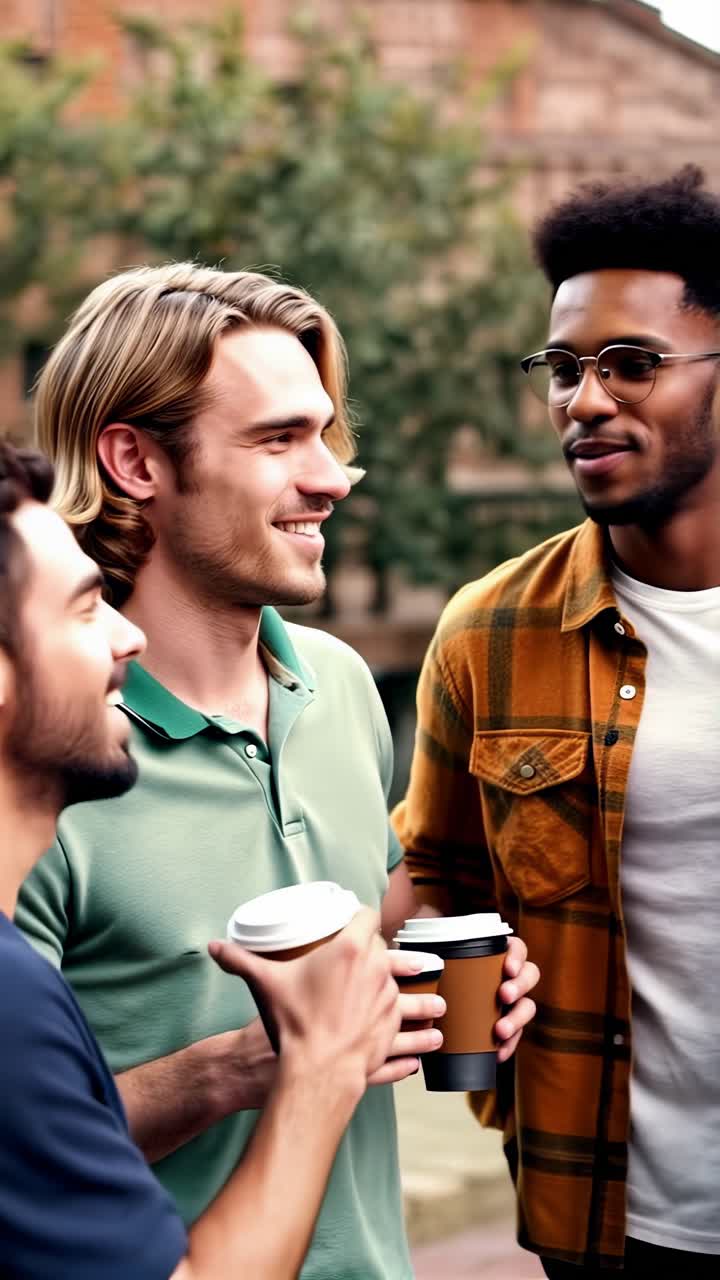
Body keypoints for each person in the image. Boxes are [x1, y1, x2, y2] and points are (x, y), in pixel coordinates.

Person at [16, 263, 539, 1278]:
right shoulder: (48, 760)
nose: (334, 475)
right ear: (134, 459)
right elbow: (19, 1150)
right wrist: (248, 1068)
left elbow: (370, 919)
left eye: (327, 432)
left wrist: (438, 988)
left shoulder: (339, 685)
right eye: (279, 440)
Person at [392, 165, 720, 1277]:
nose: (585, 399)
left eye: (632, 364)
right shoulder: (489, 631)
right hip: (610, 1217)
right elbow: (430, 869)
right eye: (565, 367)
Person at [0, 438, 412, 1279]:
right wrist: (311, 1069)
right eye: (84, 609)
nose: (125, 636)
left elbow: (392, 902)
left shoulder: (343, 684)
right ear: (135, 462)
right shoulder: (11, 995)